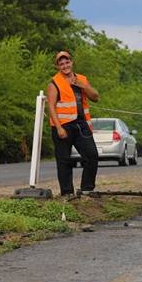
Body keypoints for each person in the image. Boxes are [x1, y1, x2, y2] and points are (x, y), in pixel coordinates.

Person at [46, 50, 100, 196]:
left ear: (72, 62)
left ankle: (87, 189)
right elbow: (50, 106)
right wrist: (58, 128)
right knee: (64, 160)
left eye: (67, 62)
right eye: (61, 63)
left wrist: (84, 86)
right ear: (57, 66)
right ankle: (67, 193)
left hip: (81, 124)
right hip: (63, 126)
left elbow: (95, 97)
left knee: (92, 155)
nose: (65, 65)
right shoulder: (54, 83)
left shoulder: (81, 78)